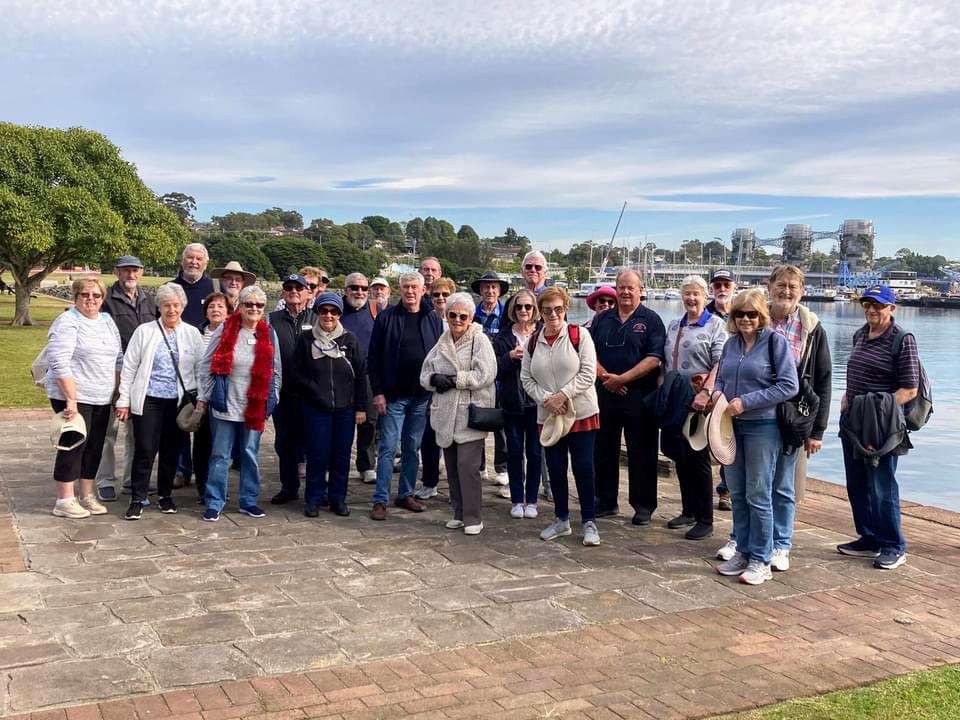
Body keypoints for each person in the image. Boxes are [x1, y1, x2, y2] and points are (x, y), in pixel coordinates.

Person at [699, 289, 798, 585]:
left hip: (763, 426)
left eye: (751, 314)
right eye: (739, 314)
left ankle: (761, 559)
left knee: (759, 493)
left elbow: (789, 385)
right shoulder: (731, 344)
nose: (745, 319)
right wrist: (717, 394)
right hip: (731, 425)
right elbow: (723, 379)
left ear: (761, 316)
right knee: (738, 492)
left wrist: (747, 401)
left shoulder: (775, 343)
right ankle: (742, 552)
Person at [837, 285, 919, 571]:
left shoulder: (902, 339)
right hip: (853, 421)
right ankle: (869, 536)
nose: (872, 310)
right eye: (867, 304)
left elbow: (909, 389)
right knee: (857, 483)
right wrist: (848, 398)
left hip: (881, 425)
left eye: (878, 305)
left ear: (891, 308)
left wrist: (876, 409)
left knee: (882, 486)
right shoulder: (861, 334)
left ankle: (893, 545)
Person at [763, 265, 832, 571]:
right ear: (770, 286)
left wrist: (817, 431)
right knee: (751, 483)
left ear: (802, 291)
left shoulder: (812, 329)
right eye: (781, 284)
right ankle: (748, 539)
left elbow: (823, 381)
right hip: (755, 412)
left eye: (793, 286)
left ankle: (781, 545)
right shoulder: (754, 318)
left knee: (783, 485)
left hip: (793, 417)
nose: (786, 291)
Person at [115, 283, 204, 520]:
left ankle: (165, 495)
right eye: (166, 305)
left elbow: (200, 369)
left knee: (171, 450)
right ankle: (137, 498)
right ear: (159, 307)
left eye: (176, 305)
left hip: (178, 402)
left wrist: (201, 399)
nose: (171, 310)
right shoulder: (145, 331)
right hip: (149, 399)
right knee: (145, 449)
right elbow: (129, 366)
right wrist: (123, 400)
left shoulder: (192, 333)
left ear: (183, 307)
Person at [521, 287, 601, 546]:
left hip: (580, 413)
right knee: (556, 469)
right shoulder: (533, 342)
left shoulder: (580, 335)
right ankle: (561, 519)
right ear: (540, 312)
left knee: (583, 468)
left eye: (557, 309)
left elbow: (588, 373)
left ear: (565, 308)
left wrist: (563, 395)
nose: (552, 314)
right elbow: (526, 378)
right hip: (549, 415)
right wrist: (547, 399)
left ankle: (589, 521)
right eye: (547, 310)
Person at [197, 285, 282, 522]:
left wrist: (273, 398)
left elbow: (276, 370)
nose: (254, 308)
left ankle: (248, 500)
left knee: (249, 454)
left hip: (254, 405)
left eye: (259, 305)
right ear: (240, 306)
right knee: (220, 455)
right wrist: (206, 395)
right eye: (248, 304)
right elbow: (205, 364)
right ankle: (214, 501)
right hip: (225, 404)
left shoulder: (269, 333)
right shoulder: (226, 329)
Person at [589, 269, 666, 525]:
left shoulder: (652, 320)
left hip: (640, 395)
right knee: (603, 449)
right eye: (621, 287)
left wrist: (623, 379)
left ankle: (643, 505)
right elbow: (588, 354)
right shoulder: (602, 319)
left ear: (640, 290)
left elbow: (654, 358)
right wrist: (606, 378)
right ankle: (605, 500)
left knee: (642, 452)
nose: (625, 292)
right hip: (605, 393)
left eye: (630, 287)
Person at [44, 278, 123, 519]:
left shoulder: (107, 321)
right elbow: (58, 361)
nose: (91, 299)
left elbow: (118, 358)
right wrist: (71, 399)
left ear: (103, 298)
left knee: (95, 447)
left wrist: (117, 391)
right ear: (76, 297)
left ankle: (86, 494)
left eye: (96, 295)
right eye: (85, 294)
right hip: (74, 396)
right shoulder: (67, 321)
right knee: (73, 445)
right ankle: (64, 499)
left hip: (102, 396)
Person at [367, 271, 442, 520]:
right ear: (400, 290)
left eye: (414, 287)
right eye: (406, 287)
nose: (410, 291)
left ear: (423, 290)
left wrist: (434, 393)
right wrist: (378, 392)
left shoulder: (432, 318)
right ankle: (380, 499)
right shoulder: (387, 318)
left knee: (412, 448)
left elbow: (439, 357)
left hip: (421, 396)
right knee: (388, 448)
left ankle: (405, 493)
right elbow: (373, 358)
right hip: (393, 396)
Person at [420, 292, 497, 535]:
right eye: (452, 315)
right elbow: (424, 372)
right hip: (445, 413)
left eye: (463, 316)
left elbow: (486, 374)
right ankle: (458, 513)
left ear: (471, 318)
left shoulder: (479, 340)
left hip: (469, 413)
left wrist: (455, 380)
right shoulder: (442, 341)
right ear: (446, 315)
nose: (457, 320)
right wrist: (434, 379)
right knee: (452, 468)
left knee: (467, 467)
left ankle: (473, 517)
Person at [661, 276, 727, 540]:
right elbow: (666, 361)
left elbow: (720, 362)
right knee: (680, 455)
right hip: (676, 397)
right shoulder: (674, 325)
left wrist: (706, 392)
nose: (691, 298)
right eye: (687, 293)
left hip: (698, 398)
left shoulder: (715, 325)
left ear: (704, 296)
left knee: (698, 457)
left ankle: (705, 519)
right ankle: (688, 510)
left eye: (696, 294)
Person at [291, 292, 367, 517]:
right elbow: (295, 371)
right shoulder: (306, 340)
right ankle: (314, 499)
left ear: (339, 314)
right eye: (324, 311)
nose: (328, 315)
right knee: (317, 454)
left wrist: (361, 406)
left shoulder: (349, 339)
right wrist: (312, 388)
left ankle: (338, 498)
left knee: (341, 455)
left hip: (345, 408)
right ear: (317, 313)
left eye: (334, 312)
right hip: (316, 407)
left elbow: (361, 375)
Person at [94, 255, 157, 502]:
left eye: (135, 270)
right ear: (117, 272)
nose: (131, 275)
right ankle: (105, 480)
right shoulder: (106, 300)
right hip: (111, 373)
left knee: (136, 432)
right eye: (126, 270)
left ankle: (132, 479)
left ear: (141, 272)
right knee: (107, 432)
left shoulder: (149, 300)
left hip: (141, 376)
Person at [493, 289, 542, 519]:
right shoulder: (503, 336)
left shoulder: (542, 333)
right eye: (519, 306)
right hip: (512, 403)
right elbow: (494, 369)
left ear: (534, 310)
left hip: (536, 402)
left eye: (528, 306)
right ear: (513, 309)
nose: (524, 310)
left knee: (535, 452)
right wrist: (510, 357)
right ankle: (516, 499)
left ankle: (531, 499)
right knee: (513, 452)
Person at [268, 274, 313, 505]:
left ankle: (315, 490)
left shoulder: (318, 317)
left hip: (311, 394)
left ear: (308, 292)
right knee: (285, 443)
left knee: (314, 443)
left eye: (298, 287)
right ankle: (289, 487)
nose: (293, 291)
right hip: (283, 393)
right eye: (289, 287)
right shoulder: (272, 319)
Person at [413, 276, 456, 500]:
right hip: (431, 385)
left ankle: (456, 487)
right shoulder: (426, 319)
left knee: (454, 440)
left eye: (445, 294)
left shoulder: (459, 319)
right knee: (429, 438)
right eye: (436, 294)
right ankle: (430, 482)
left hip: (455, 386)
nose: (440, 298)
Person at [190, 291, 230, 503]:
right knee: (202, 443)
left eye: (220, 306)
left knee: (221, 446)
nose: (216, 310)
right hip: (198, 395)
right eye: (211, 306)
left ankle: (219, 485)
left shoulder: (233, 334)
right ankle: (202, 485)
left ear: (228, 312)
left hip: (224, 397)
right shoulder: (195, 333)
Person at [341, 272, 380, 485]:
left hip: (368, 377)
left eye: (364, 288)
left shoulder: (376, 310)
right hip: (342, 377)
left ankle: (366, 465)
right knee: (343, 424)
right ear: (346, 290)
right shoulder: (336, 309)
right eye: (354, 288)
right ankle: (338, 465)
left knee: (369, 424)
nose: (359, 292)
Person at [472, 270, 510, 488]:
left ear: (499, 290)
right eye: (486, 286)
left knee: (501, 424)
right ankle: (479, 466)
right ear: (480, 289)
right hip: (477, 376)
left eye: (494, 286)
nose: (490, 290)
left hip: (501, 376)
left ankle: (502, 468)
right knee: (476, 421)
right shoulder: (471, 313)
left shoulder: (507, 314)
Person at [707, 268, 737, 512]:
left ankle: (726, 490)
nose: (722, 289)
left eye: (726, 284)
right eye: (718, 285)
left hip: (736, 384)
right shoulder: (704, 313)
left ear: (734, 287)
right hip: (709, 385)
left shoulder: (743, 312)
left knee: (729, 437)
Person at [172, 243, 215, 328]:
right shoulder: (169, 288)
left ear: (205, 264)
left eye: (199, 259)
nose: (194, 262)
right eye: (190, 257)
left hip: (206, 336)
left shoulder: (215, 288)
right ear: (182, 261)